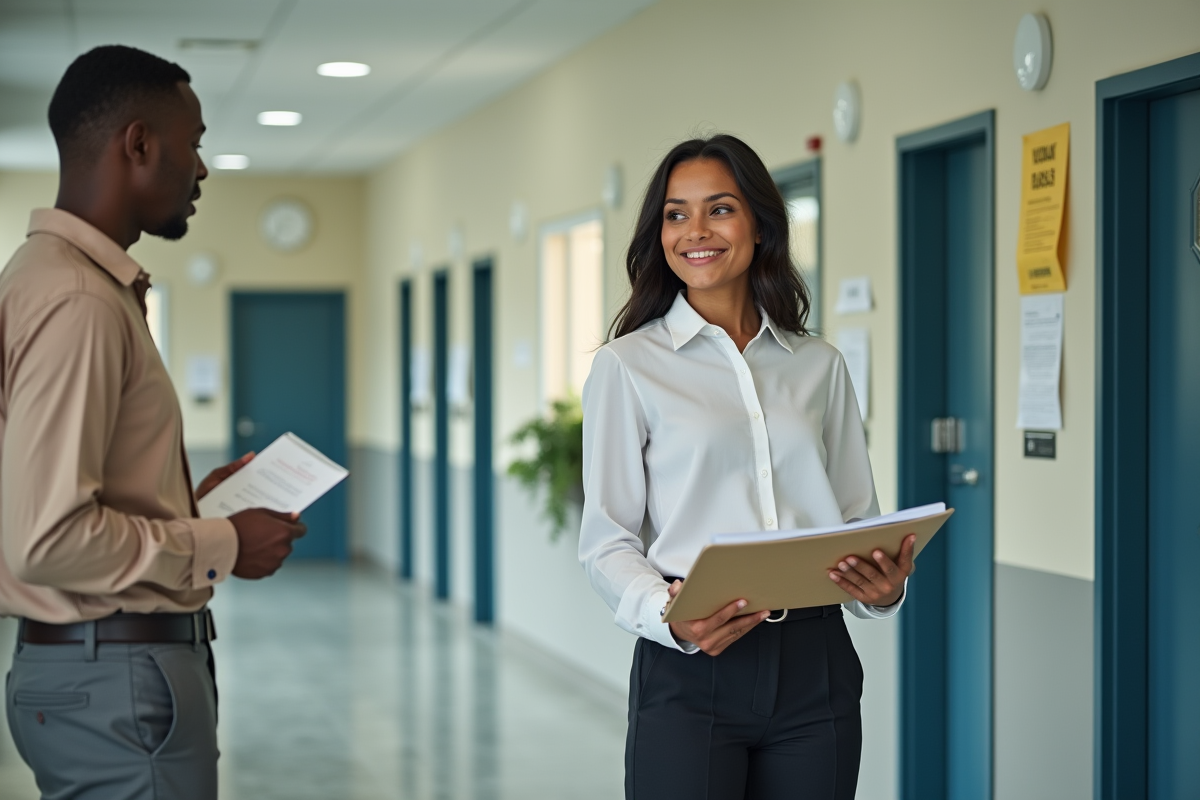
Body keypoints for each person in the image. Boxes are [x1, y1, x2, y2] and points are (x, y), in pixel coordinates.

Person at [0, 45, 307, 799]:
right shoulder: (78, 302)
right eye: (194, 144)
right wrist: (225, 541)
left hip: (94, 670)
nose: (202, 169)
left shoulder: (46, 280)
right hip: (117, 679)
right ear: (138, 144)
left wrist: (189, 504)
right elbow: (47, 539)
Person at [579, 134, 917, 799]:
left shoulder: (817, 364)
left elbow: (854, 517)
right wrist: (667, 618)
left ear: (760, 225)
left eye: (719, 209)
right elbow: (606, 540)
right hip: (692, 662)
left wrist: (884, 590)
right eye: (675, 214)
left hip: (816, 666)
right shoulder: (628, 366)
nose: (695, 231)